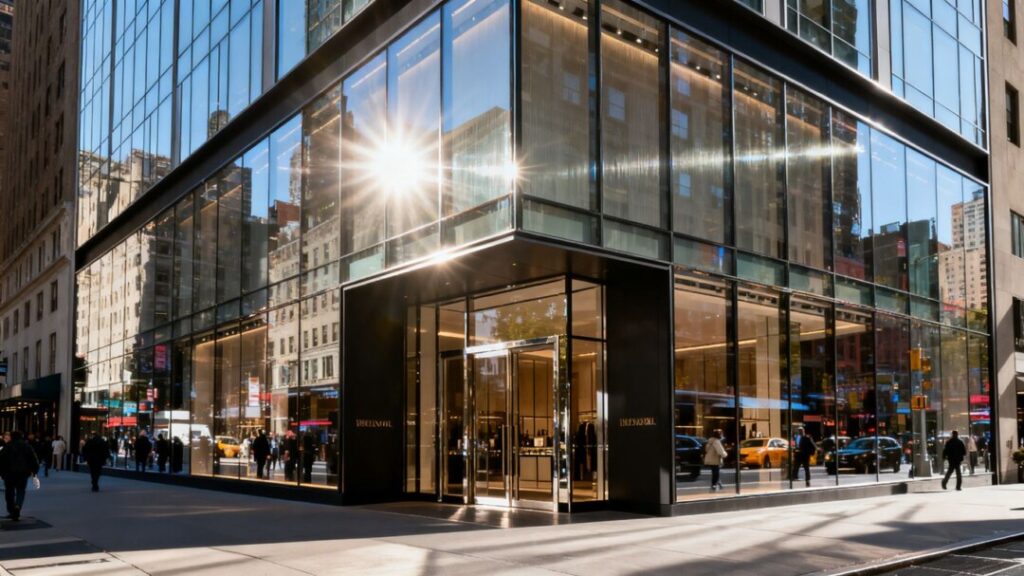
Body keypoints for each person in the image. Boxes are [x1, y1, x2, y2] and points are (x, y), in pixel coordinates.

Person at [0, 431, 40, 521]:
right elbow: (33, 459)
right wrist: (34, 471)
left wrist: (2, 472)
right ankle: (18, 506)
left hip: (9, 473)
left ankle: (11, 510)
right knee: (21, 491)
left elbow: (1, 460)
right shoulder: (26, 446)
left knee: (9, 492)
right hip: (23, 473)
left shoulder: (8, 446)